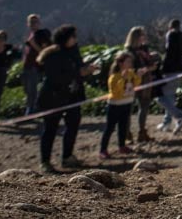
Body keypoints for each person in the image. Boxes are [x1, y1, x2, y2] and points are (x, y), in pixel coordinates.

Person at [36, 24, 97, 173]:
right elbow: (55, 77)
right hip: (53, 97)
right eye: (73, 36)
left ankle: (67, 157)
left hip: (73, 96)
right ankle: (45, 161)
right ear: (65, 38)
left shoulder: (74, 51)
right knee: (50, 128)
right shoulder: (53, 54)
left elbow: (78, 68)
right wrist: (79, 73)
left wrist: (87, 70)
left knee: (73, 126)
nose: (75, 39)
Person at [124, 26, 161, 143]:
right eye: (142, 35)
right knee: (128, 108)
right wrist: (145, 69)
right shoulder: (129, 52)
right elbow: (128, 68)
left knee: (144, 106)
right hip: (131, 82)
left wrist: (152, 66)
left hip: (146, 81)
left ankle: (142, 132)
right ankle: (126, 134)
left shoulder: (144, 50)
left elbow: (148, 61)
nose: (144, 37)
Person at [100, 50, 139, 159]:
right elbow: (115, 92)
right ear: (121, 63)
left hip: (127, 103)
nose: (130, 64)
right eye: (128, 62)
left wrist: (138, 76)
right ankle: (103, 150)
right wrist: (122, 78)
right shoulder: (114, 77)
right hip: (115, 105)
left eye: (131, 62)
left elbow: (135, 84)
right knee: (110, 128)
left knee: (123, 126)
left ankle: (122, 146)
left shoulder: (131, 73)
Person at [157, 19, 182, 134]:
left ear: (170, 27)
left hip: (171, 70)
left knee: (162, 96)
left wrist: (163, 67)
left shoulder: (171, 35)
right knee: (170, 95)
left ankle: (179, 116)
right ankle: (167, 121)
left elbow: (169, 52)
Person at [21, 14, 44, 115]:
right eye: (31, 22)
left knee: (32, 88)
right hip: (27, 65)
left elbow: (44, 51)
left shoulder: (42, 35)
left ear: (39, 23)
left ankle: (31, 109)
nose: (33, 24)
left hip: (35, 66)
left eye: (35, 22)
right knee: (27, 88)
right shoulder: (30, 35)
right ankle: (32, 107)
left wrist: (33, 44)